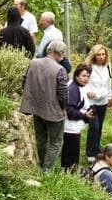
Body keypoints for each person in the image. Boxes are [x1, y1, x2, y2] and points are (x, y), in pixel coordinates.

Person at [20, 39, 68, 171]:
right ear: (60, 53)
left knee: (41, 139)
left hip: (36, 108)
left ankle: (42, 164)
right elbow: (63, 94)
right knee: (56, 142)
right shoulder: (60, 70)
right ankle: (46, 170)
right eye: (63, 53)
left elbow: (24, 81)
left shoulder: (33, 63)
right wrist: (64, 108)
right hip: (54, 112)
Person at [62, 64, 95, 171]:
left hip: (74, 128)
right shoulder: (73, 89)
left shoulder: (79, 87)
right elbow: (70, 112)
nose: (86, 79)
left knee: (73, 155)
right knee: (70, 155)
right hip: (70, 128)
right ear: (76, 76)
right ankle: (68, 175)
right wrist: (84, 115)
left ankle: (70, 173)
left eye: (88, 76)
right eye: (83, 76)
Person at [84, 44, 112, 163]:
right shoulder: (88, 66)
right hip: (91, 101)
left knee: (99, 127)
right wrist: (89, 92)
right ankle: (90, 152)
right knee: (94, 127)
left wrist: (110, 96)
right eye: (98, 54)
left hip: (103, 101)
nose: (101, 57)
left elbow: (109, 82)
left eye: (103, 54)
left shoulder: (108, 66)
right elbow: (82, 81)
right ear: (94, 55)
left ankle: (96, 148)